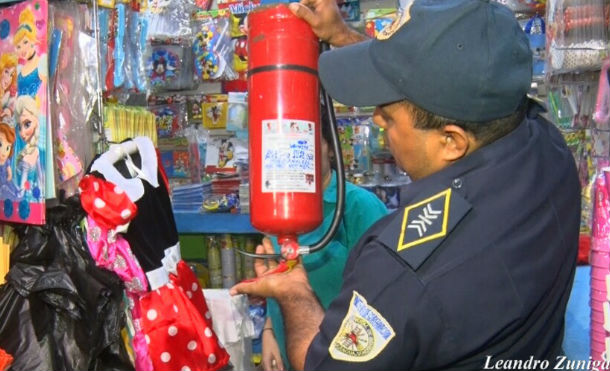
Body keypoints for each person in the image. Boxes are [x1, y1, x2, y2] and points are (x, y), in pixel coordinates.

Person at [231, 0, 581, 370]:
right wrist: (343, 38)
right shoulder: (548, 150)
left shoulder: (402, 273)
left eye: (391, 115)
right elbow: (448, 75)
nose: (377, 117)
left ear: (451, 141)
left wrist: (295, 294)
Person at [262, 109, 388, 371]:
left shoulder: (357, 206)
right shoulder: (277, 208)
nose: (295, 153)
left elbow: (384, 297)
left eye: (304, 141)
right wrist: (269, 332)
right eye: (283, 144)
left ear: (331, 149)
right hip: (290, 353)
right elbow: (277, 279)